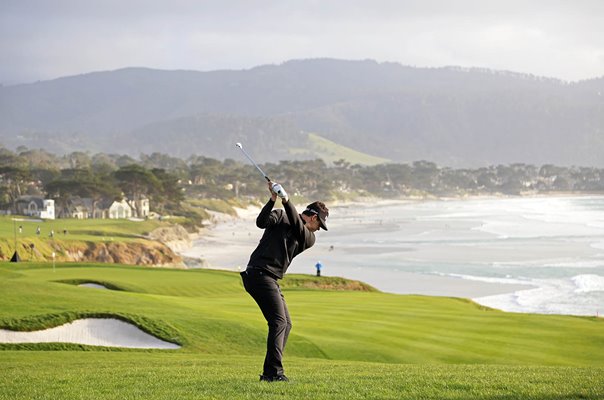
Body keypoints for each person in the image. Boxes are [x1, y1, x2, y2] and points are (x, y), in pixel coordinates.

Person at [241, 181, 329, 383]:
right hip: (258, 274)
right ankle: (273, 374)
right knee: (279, 322)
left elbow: (297, 226)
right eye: (319, 225)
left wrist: (287, 200)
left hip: (269, 278)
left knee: (286, 324)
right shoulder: (280, 215)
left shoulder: (308, 238)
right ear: (314, 217)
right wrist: (273, 199)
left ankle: (270, 372)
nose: (317, 230)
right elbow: (261, 222)